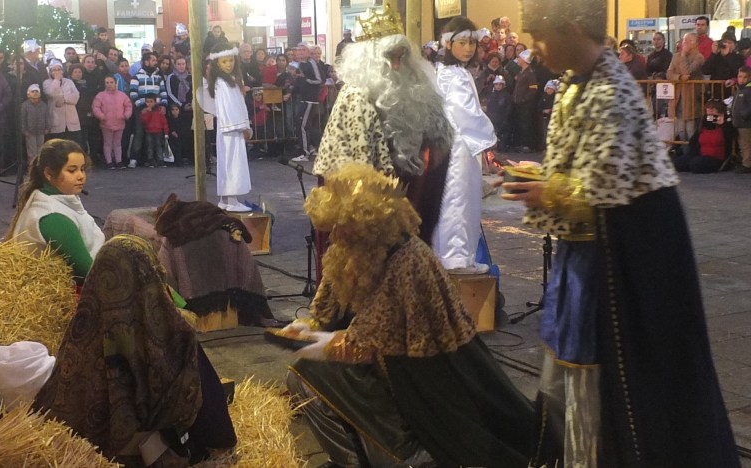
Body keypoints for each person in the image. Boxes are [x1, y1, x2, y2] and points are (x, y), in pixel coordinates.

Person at [503, 0, 740, 465]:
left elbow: (597, 191)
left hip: (627, 261)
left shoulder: (612, 90)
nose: (534, 49)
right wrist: (542, 177)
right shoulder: (576, 83)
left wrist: (543, 189)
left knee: (624, 381)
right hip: (589, 255)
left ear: (572, 28)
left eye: (540, 36)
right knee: (571, 373)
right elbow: (578, 169)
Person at [282, 164, 535, 468]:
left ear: (368, 224)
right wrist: (307, 328)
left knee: (309, 373)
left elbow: (362, 344)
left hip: (425, 387)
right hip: (386, 370)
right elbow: (325, 309)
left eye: (342, 225)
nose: (335, 234)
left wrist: (314, 343)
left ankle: (406, 455)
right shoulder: (353, 252)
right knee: (303, 372)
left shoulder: (407, 260)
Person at [34, 235, 237, 465]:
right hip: (150, 457)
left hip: (78, 457)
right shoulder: (173, 338)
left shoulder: (80, 332)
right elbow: (216, 429)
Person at [311, 13, 453, 248]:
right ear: (369, 59)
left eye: (401, 57)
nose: (396, 66)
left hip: (406, 207)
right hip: (368, 211)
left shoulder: (416, 93)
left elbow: (436, 146)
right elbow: (354, 171)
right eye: (390, 57)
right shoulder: (355, 96)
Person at [433, 16, 498, 274]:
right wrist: (490, 137)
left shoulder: (452, 71)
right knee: (458, 199)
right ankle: (456, 258)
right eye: (462, 42)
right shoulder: (454, 75)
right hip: (460, 145)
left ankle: (454, 254)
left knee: (457, 198)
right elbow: (466, 113)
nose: (468, 48)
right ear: (449, 44)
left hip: (458, 144)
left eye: (472, 42)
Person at [8, 139, 104, 283]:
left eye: (82, 169)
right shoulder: (53, 217)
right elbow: (88, 273)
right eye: (72, 170)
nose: (81, 176)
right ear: (49, 173)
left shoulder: (53, 197)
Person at [200, 43, 253, 212]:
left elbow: (238, 104)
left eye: (231, 61)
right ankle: (230, 200)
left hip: (232, 128)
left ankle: (227, 199)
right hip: (231, 128)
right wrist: (242, 126)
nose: (229, 65)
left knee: (229, 162)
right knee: (232, 163)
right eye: (224, 62)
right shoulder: (222, 83)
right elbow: (228, 108)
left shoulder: (229, 82)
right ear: (217, 64)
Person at [672, 100, 735, 173]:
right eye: (708, 108)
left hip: (716, 156)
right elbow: (694, 140)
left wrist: (722, 124)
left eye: (713, 108)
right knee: (678, 164)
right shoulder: (704, 122)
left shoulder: (726, 122)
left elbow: (731, 135)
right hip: (702, 152)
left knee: (696, 164)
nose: (710, 110)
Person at [667, 32, 705, 140]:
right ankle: (683, 154)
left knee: (690, 130)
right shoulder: (675, 56)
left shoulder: (699, 57)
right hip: (678, 97)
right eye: (685, 40)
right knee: (680, 130)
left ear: (696, 43)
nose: (686, 43)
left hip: (691, 98)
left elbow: (687, 71)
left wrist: (683, 55)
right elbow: (669, 74)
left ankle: (691, 154)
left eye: (690, 41)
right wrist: (678, 77)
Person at [92, 75, 133, 169]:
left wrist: (126, 115)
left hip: (120, 122)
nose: (109, 84)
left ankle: (119, 161)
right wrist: (101, 116)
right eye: (107, 82)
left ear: (115, 83)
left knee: (117, 143)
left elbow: (128, 106)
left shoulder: (122, 95)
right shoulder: (100, 95)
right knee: (108, 143)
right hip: (106, 123)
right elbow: (96, 107)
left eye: (111, 82)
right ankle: (109, 161)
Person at [20, 83, 51, 166]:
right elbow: (22, 119)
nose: (35, 93)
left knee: (40, 151)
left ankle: (39, 168)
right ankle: (32, 168)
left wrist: (47, 128)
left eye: (36, 91)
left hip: (41, 131)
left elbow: (47, 117)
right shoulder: (25, 105)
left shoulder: (44, 105)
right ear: (28, 94)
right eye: (32, 91)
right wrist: (24, 130)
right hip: (30, 132)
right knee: (31, 152)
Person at [139, 92, 169, 168]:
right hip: (149, 131)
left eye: (151, 101)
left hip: (158, 131)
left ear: (155, 102)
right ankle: (150, 160)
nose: (149, 103)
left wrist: (166, 132)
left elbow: (164, 122)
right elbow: (144, 121)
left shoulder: (159, 110)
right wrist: (148, 112)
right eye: (147, 102)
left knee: (159, 146)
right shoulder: (144, 111)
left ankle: (160, 160)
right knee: (149, 146)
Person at [732, 66, 751, 173]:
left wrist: (744, 115)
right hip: (739, 122)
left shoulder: (748, 90)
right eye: (740, 77)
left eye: (744, 77)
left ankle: (747, 164)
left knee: (746, 144)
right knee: (742, 143)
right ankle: (746, 162)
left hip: (746, 123)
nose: (741, 79)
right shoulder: (739, 89)